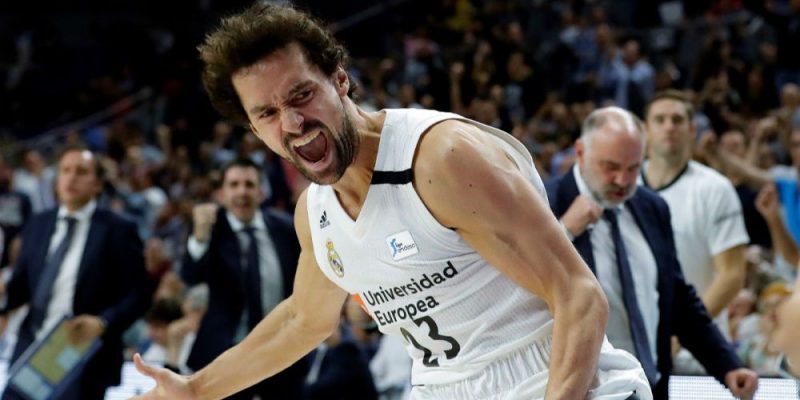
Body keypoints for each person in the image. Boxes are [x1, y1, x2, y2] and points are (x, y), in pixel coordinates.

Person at [133, 3, 652, 400]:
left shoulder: (440, 159)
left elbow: (579, 294)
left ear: (340, 80)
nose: (291, 123)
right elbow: (302, 321)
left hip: (559, 379)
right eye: (267, 113)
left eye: (301, 95)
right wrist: (198, 389)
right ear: (252, 127)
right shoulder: (315, 214)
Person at [544, 107, 758, 399]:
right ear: (580, 152)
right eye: (610, 167)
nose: (622, 180)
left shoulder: (651, 206)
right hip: (584, 390)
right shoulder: (543, 203)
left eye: (633, 168)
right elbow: (515, 291)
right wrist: (564, 232)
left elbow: (677, 298)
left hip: (651, 387)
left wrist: (727, 366)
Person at [0, 146, 153, 400]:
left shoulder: (118, 229)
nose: (71, 178)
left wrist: (103, 323)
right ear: (57, 181)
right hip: (32, 347)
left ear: (98, 185)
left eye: (81, 172)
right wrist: (4, 299)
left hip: (82, 352)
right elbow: (22, 287)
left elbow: (140, 294)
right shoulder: (38, 223)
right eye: (65, 171)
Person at [180, 157, 307, 398]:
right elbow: (190, 275)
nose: (242, 192)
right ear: (221, 194)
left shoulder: (285, 227)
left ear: (261, 192)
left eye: (249, 184)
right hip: (226, 354)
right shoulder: (210, 229)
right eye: (234, 184)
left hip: (281, 350)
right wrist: (199, 237)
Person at [642, 90, 749, 322]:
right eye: (660, 120)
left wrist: (687, 334)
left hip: (696, 347)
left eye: (677, 120)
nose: (669, 127)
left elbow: (732, 275)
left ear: (692, 130)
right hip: (636, 341)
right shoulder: (624, 185)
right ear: (645, 130)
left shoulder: (715, 188)